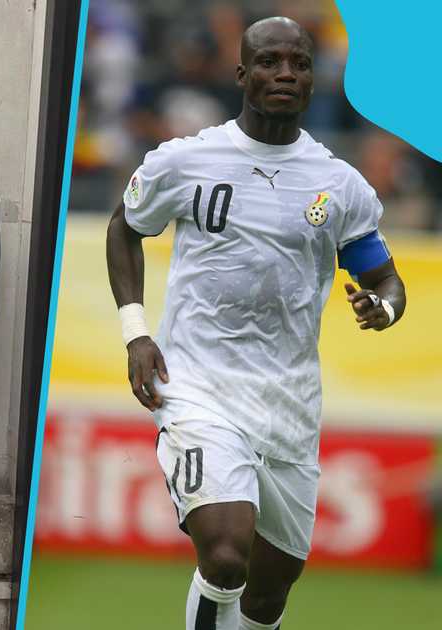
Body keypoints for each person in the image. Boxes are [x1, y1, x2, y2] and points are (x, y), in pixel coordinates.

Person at [105, 17, 407, 630]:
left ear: (314, 80)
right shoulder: (186, 161)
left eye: (298, 63)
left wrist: (387, 307)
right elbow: (124, 228)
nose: (285, 74)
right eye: (270, 62)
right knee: (224, 554)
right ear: (242, 73)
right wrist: (136, 332)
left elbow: (385, 277)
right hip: (198, 386)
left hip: (289, 404)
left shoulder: (338, 184)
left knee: (267, 597)